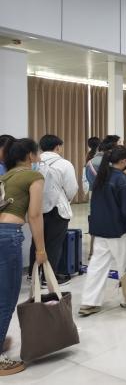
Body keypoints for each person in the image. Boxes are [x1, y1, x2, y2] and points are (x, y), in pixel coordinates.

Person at [0, 138, 47, 375]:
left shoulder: (5, 176)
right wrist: (41, 249)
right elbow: (35, 215)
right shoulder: (33, 176)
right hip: (8, 236)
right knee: (6, 298)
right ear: (30, 155)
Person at [79, 146, 126, 317]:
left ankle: (89, 302)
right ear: (123, 161)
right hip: (119, 231)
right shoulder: (121, 180)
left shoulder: (101, 177)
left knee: (96, 267)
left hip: (100, 230)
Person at [28, 135, 78, 284]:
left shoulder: (34, 163)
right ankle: (48, 278)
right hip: (57, 208)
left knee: (37, 240)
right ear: (57, 147)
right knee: (54, 243)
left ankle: (33, 274)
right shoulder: (64, 164)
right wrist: (66, 199)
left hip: (36, 207)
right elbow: (72, 188)